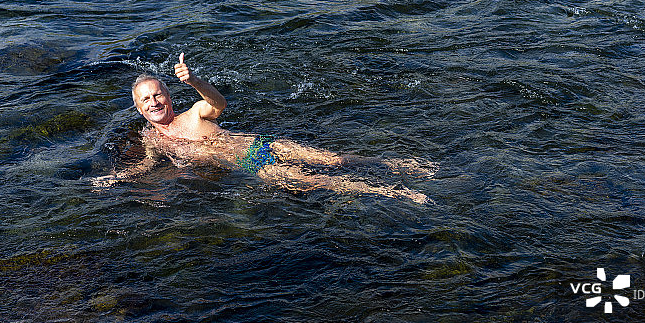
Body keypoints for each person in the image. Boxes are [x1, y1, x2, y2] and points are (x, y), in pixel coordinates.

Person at [92, 54, 435, 203]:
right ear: (138, 107)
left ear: (169, 95)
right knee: (321, 181)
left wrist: (195, 80)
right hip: (252, 166)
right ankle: (395, 193)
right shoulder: (151, 138)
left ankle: (398, 166)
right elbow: (147, 165)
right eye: (146, 100)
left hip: (265, 144)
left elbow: (218, 104)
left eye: (158, 95)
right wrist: (120, 179)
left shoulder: (193, 113)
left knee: (335, 160)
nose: (153, 103)